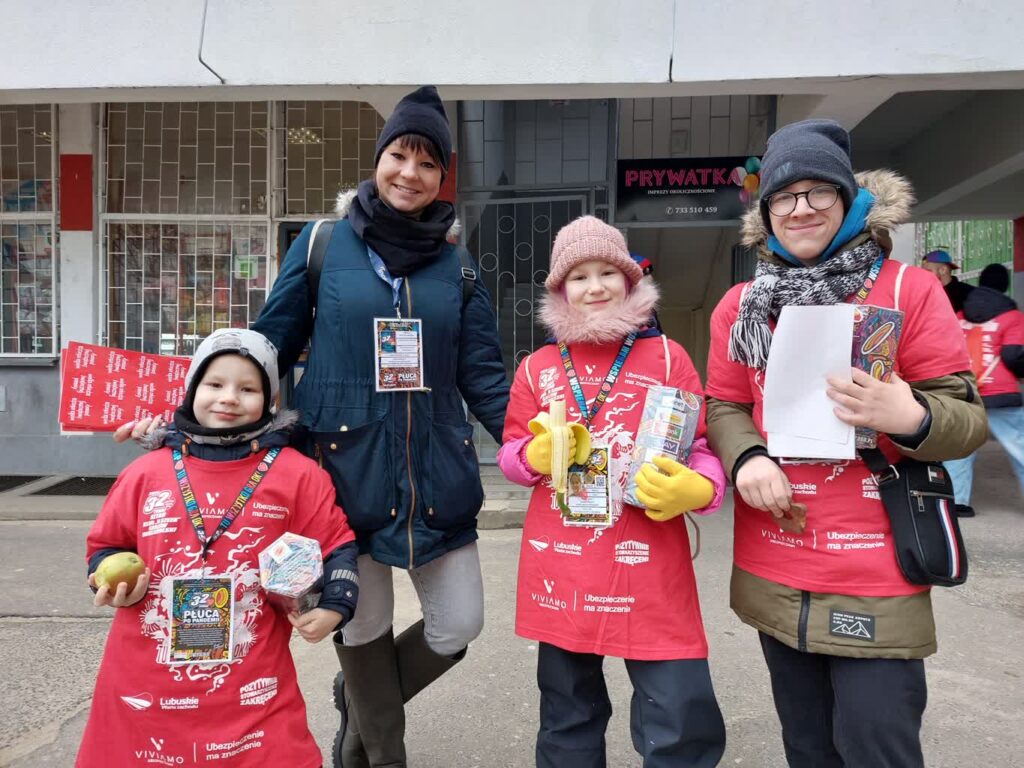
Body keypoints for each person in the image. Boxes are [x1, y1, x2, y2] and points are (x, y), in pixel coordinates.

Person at [704, 119, 987, 768]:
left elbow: (965, 418)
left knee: (875, 747)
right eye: (784, 195)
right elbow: (725, 403)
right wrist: (746, 455)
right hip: (776, 560)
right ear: (766, 209)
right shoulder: (743, 305)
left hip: (877, 567)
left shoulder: (905, 290)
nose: (800, 207)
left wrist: (907, 412)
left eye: (818, 192)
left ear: (849, 199)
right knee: (806, 748)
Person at [255, 85, 508, 767]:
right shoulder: (322, 246)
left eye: (429, 163)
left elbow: (482, 373)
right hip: (340, 473)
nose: (410, 173)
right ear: (378, 159)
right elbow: (270, 343)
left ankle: (362, 701)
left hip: (437, 473)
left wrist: (534, 445)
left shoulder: (456, 266)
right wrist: (200, 413)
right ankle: (373, 755)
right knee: (362, 623)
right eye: (400, 154)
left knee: (459, 624)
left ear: (442, 176)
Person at [498, 216, 727, 768]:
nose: (595, 286)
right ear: (560, 289)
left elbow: (700, 446)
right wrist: (531, 457)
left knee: (678, 711)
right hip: (563, 566)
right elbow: (509, 452)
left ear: (630, 281)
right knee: (567, 712)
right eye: (579, 276)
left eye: (607, 272)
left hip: (650, 560)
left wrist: (701, 488)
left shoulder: (669, 358)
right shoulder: (537, 369)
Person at [79, 328, 359, 768]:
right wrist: (108, 579)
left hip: (252, 690)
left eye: (247, 388)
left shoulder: (298, 475)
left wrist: (336, 606)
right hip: (145, 690)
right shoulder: (144, 473)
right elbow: (106, 545)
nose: (228, 397)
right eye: (214, 384)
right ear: (191, 391)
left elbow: (336, 545)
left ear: (270, 402)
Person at [945, 263, 1024, 516]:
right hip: (1001, 393)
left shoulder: (961, 315)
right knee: (1019, 448)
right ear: (1005, 285)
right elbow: (1013, 355)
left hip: (965, 389)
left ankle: (958, 502)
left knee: (961, 447)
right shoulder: (1013, 317)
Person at [921, 248, 974, 313]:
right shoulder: (923, 294)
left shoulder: (969, 294)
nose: (923, 276)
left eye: (928, 271)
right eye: (922, 272)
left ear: (943, 270)